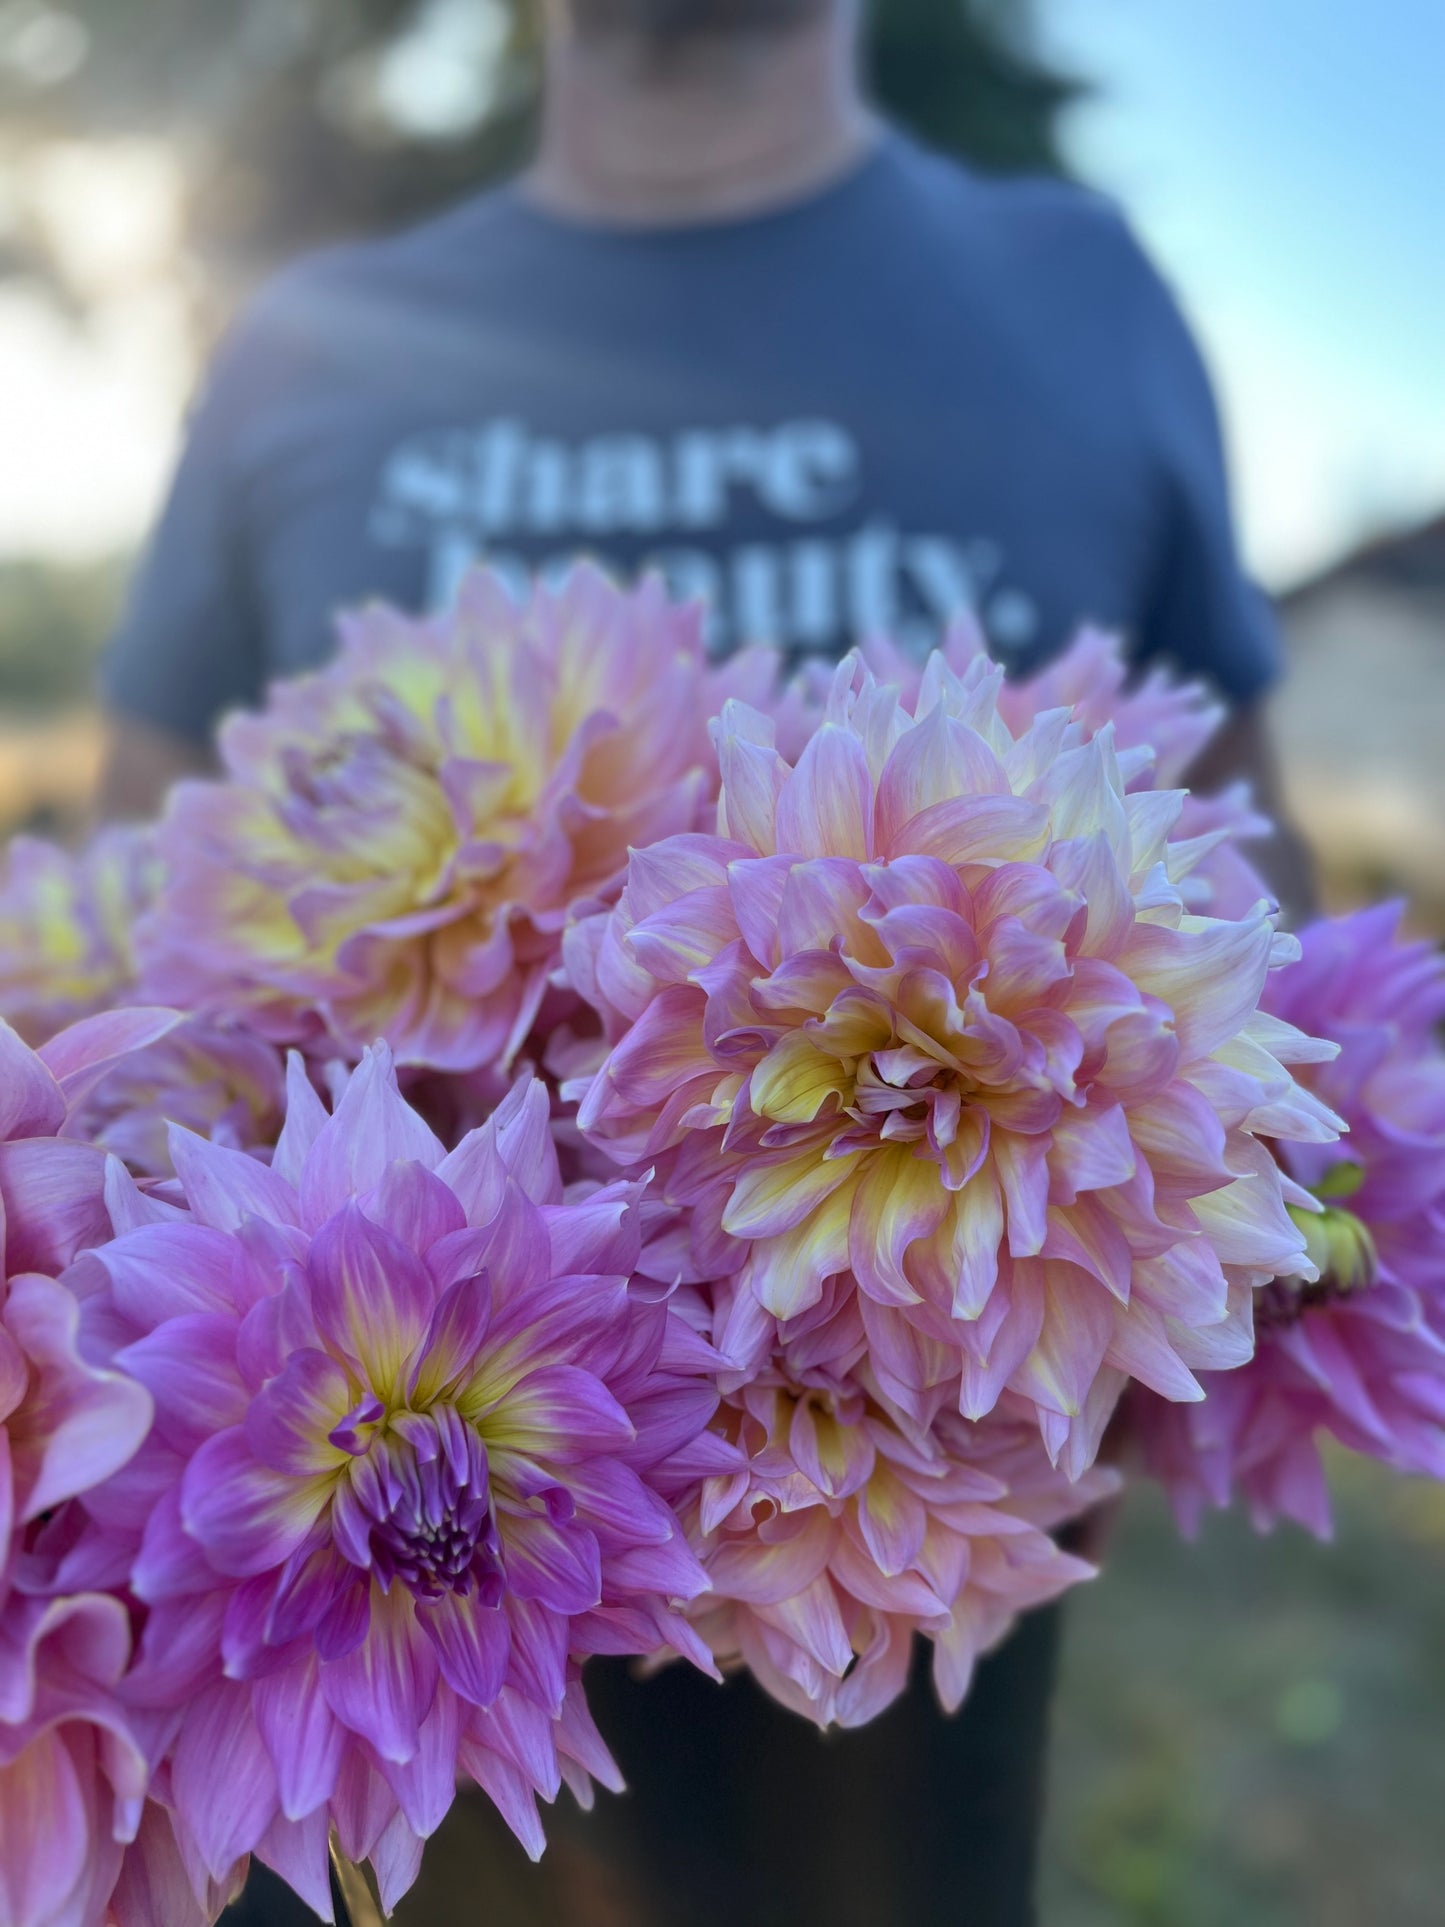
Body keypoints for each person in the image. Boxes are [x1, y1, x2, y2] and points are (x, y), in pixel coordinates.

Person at [100, 4, 1312, 1921]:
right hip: (361, 1731)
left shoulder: (1083, 286)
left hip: (883, 1718)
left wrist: (1188, 1256)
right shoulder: (299, 343)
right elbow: (131, 939)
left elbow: (1260, 898)